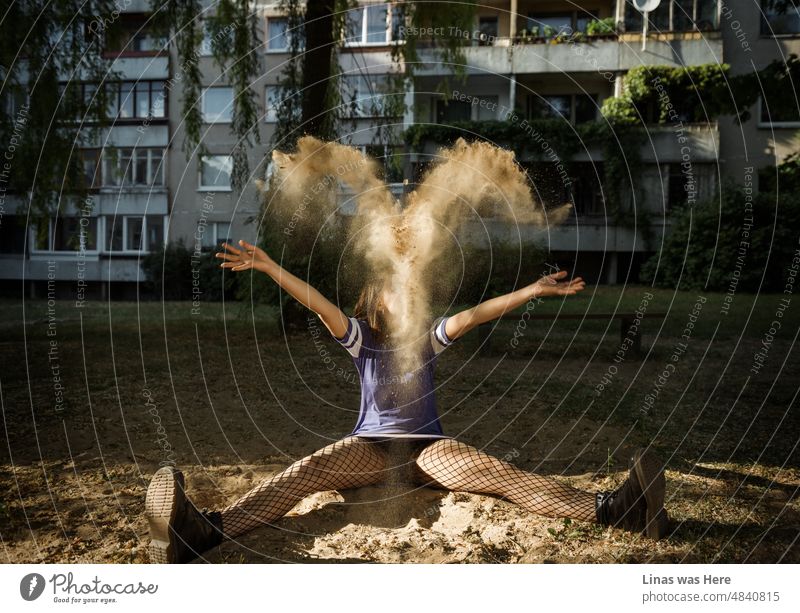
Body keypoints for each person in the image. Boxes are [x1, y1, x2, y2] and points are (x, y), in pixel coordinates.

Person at [144, 239, 669, 564]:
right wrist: (267, 266)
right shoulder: (359, 338)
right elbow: (315, 300)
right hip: (370, 449)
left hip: (427, 451)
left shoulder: (428, 337)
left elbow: (477, 314)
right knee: (304, 471)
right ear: (376, 300)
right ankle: (201, 531)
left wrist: (532, 291)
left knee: (504, 477)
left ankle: (616, 508)